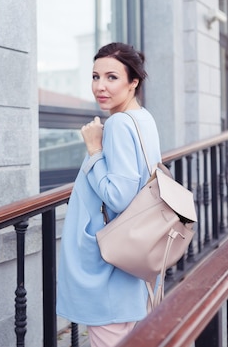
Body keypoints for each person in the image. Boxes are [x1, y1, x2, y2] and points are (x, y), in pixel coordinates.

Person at [56, 42, 162, 346]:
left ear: (134, 82)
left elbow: (119, 196)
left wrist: (94, 150)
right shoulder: (144, 119)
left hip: (110, 263)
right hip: (131, 256)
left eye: (112, 77)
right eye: (95, 76)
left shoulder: (117, 124)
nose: (100, 86)